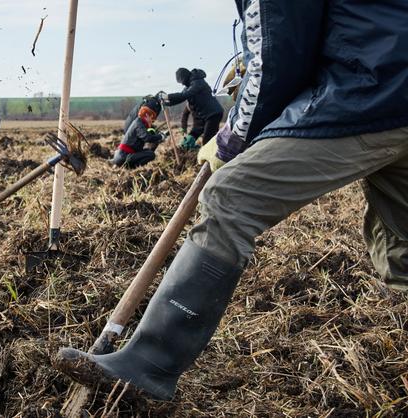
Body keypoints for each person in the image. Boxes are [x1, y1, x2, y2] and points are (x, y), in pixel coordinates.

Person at [57, 0, 408, 401]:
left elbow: (279, 54)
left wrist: (231, 138)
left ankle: (149, 365)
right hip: (394, 86)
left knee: (230, 196)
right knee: (400, 234)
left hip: (371, 92)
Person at [159, 68, 224, 150]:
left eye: (182, 81)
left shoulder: (198, 82)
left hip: (213, 114)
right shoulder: (189, 86)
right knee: (190, 138)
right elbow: (181, 97)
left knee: (207, 140)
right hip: (202, 116)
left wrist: (167, 96)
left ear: (185, 77)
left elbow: (185, 95)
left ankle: (211, 155)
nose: (182, 84)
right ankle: (196, 152)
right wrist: (166, 103)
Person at [111, 100, 167, 169]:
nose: (152, 120)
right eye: (151, 117)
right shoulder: (139, 124)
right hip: (123, 156)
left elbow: (149, 136)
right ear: (146, 115)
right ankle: (132, 168)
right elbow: (147, 138)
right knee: (151, 155)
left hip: (123, 155)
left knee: (148, 152)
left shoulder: (140, 122)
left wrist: (159, 136)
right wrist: (160, 136)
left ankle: (128, 166)